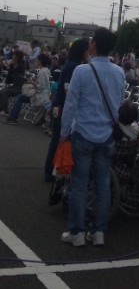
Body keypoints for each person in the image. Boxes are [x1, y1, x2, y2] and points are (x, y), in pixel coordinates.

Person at [59, 27, 125, 247]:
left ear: (94, 44)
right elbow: (118, 103)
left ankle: (77, 232)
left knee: (79, 184)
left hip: (83, 134)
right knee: (103, 185)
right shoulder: (119, 72)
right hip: (107, 136)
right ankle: (98, 232)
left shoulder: (81, 71)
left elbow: (71, 105)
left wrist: (63, 134)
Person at [44, 38, 90, 182]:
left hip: (59, 105)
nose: (89, 54)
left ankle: (51, 170)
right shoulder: (73, 67)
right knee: (59, 140)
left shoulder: (71, 64)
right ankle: (51, 171)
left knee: (57, 139)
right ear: (82, 51)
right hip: (62, 107)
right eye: (87, 51)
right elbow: (68, 90)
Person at [5, 52, 51, 124]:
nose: (36, 61)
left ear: (40, 61)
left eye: (37, 60)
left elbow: (41, 87)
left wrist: (31, 82)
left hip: (40, 96)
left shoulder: (41, 72)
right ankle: (11, 117)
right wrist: (34, 81)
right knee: (20, 97)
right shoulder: (46, 70)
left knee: (20, 98)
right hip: (44, 95)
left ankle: (12, 118)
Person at [0, 50, 26, 116]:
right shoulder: (13, 65)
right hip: (14, 85)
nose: (12, 56)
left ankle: (5, 111)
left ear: (18, 57)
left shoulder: (21, 66)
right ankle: (1, 109)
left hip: (19, 87)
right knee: (2, 90)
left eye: (14, 55)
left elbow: (11, 71)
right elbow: (8, 73)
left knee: (5, 92)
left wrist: (7, 64)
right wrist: (2, 63)